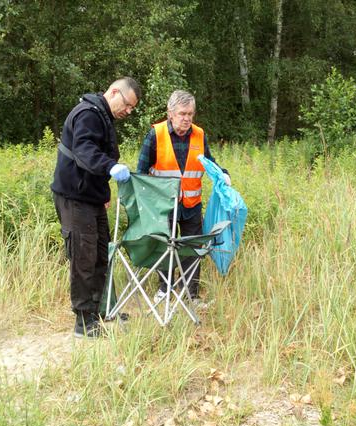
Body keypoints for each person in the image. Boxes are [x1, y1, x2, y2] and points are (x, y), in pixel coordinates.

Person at [51, 77, 141, 338]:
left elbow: (97, 158)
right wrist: (110, 168)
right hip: (74, 197)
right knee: (84, 257)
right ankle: (83, 323)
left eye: (132, 108)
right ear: (114, 92)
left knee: (101, 254)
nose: (129, 111)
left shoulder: (103, 116)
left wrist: (103, 190)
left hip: (91, 197)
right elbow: (85, 151)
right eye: (127, 104)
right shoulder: (89, 114)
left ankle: (98, 311)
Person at [137, 90, 230, 306]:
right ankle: (164, 291)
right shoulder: (156, 134)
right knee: (165, 247)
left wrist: (223, 173)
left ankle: (191, 294)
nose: (187, 118)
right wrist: (146, 205)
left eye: (190, 113)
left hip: (191, 205)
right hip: (164, 206)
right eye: (182, 113)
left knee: (192, 248)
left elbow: (209, 163)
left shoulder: (199, 134)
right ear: (170, 113)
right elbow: (141, 173)